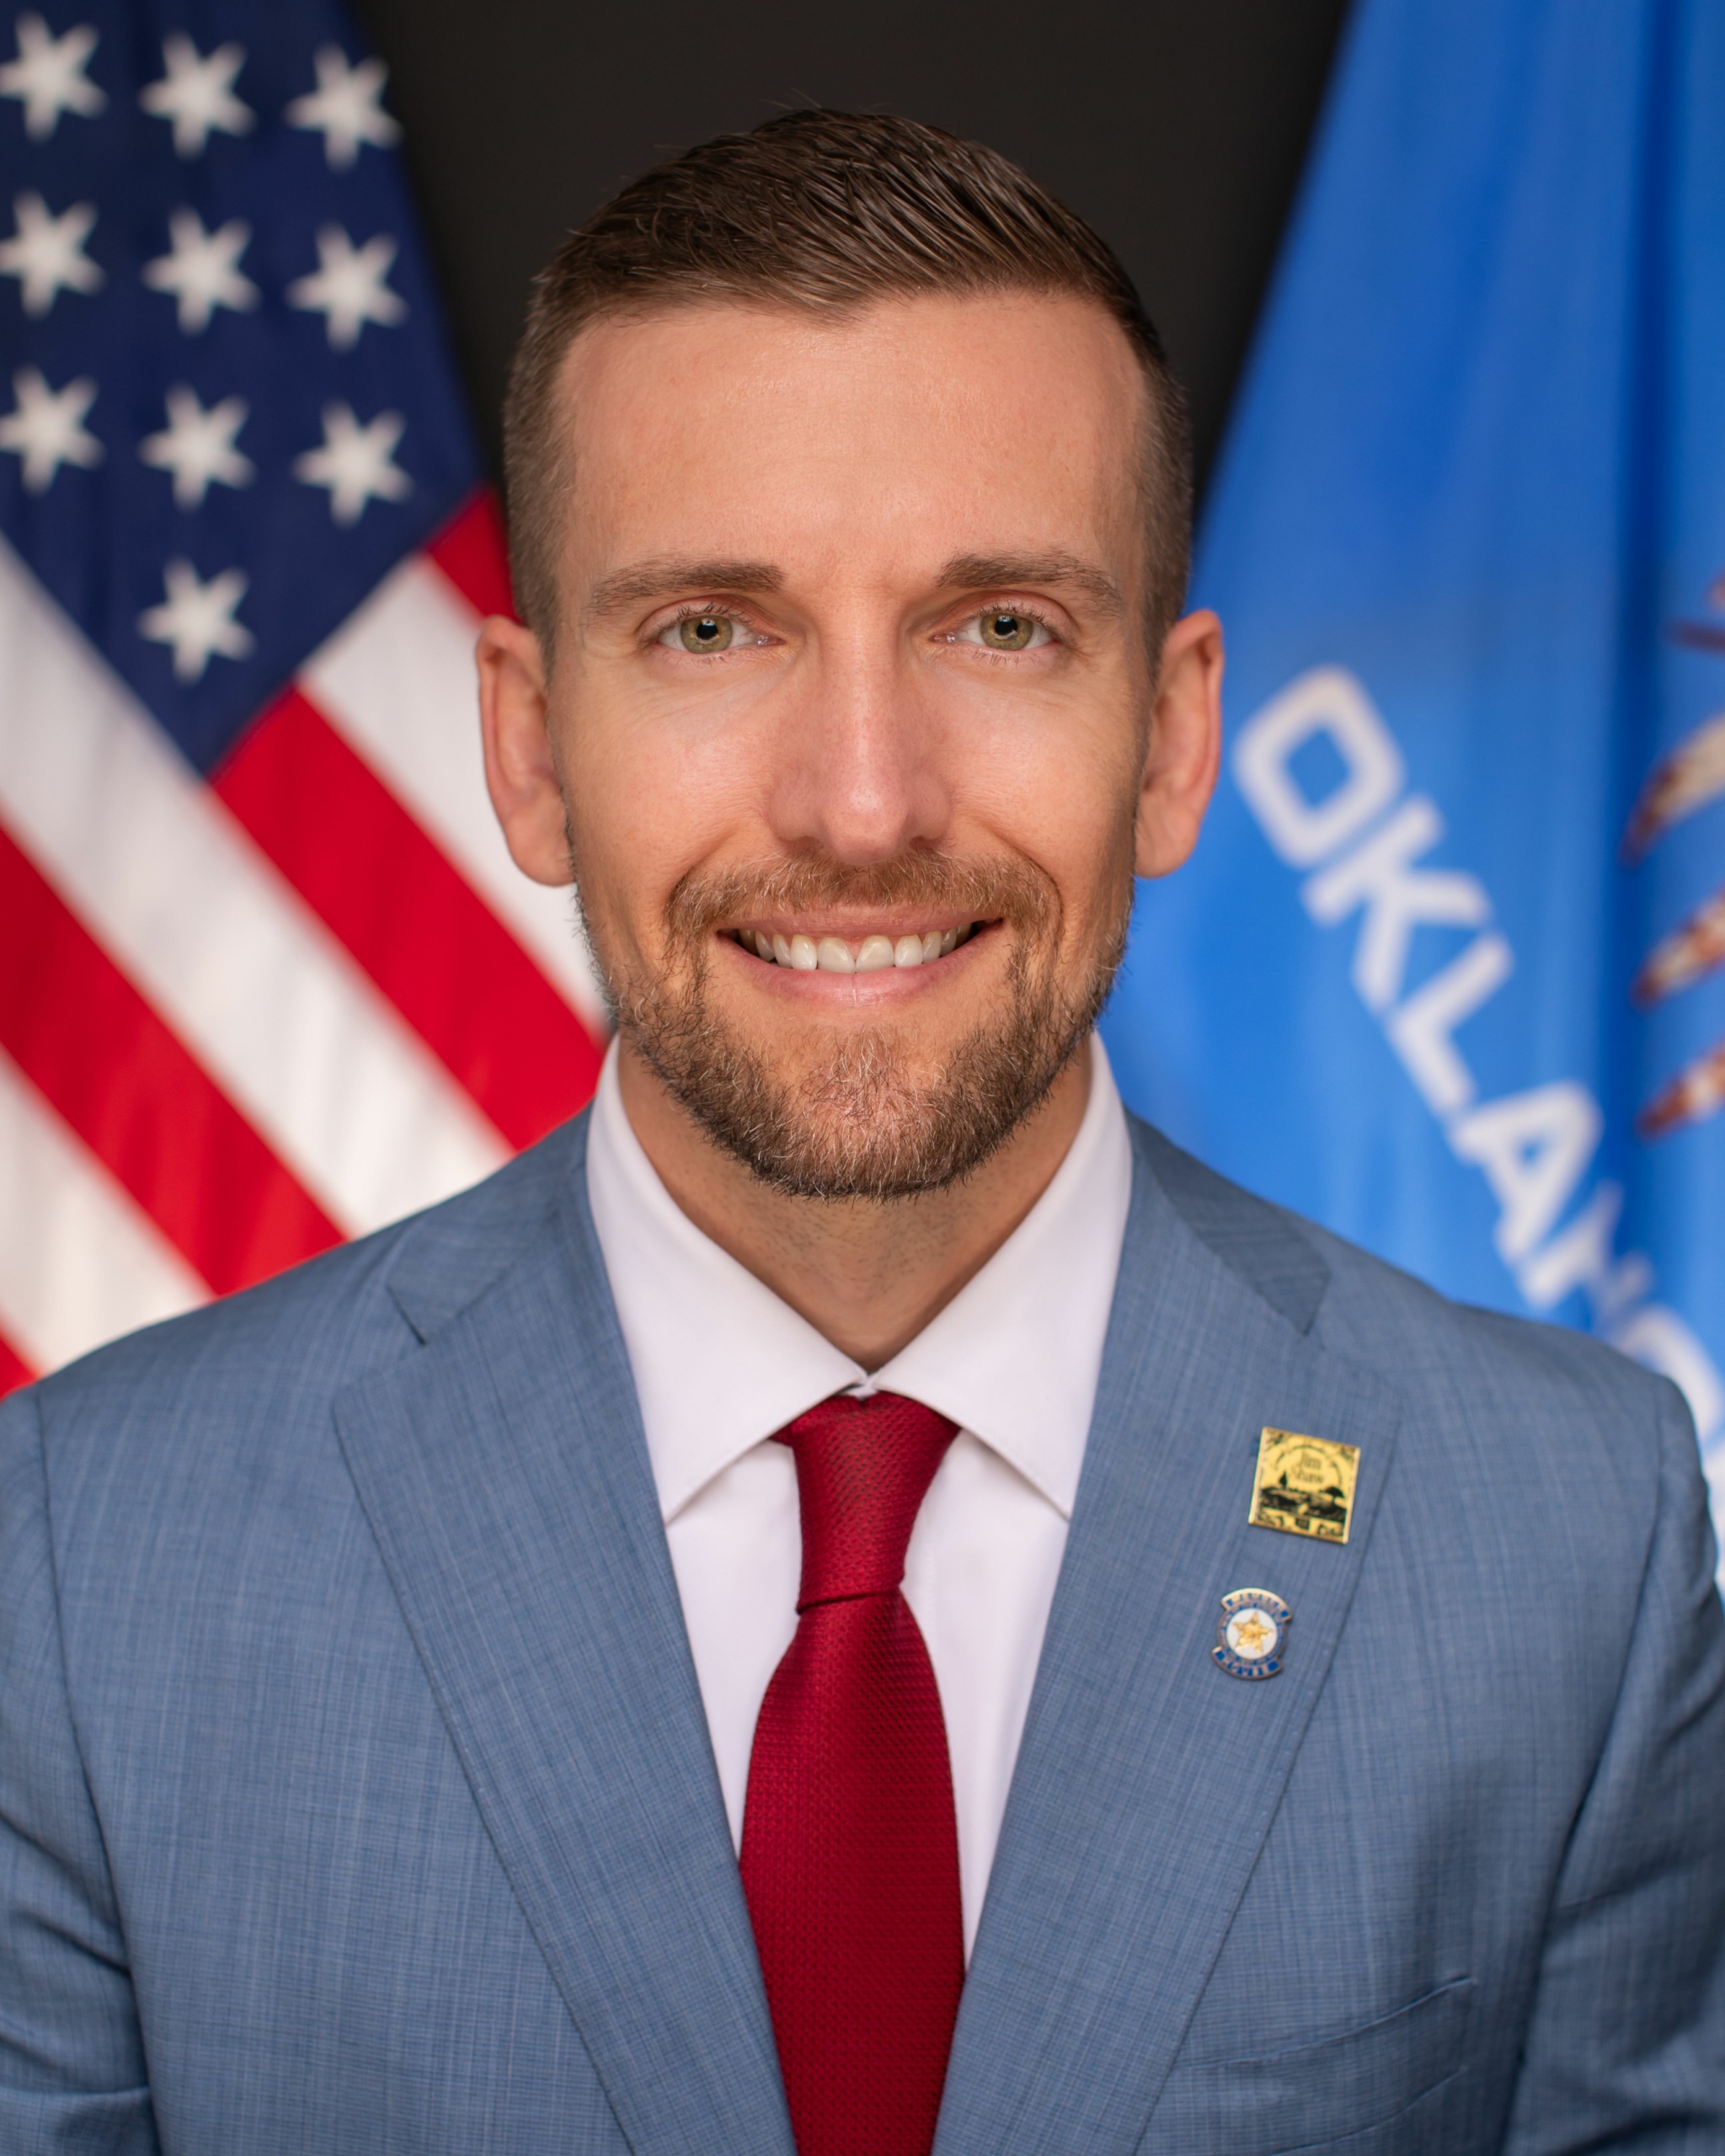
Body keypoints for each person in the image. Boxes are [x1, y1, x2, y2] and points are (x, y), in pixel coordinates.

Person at [3, 109, 1722, 2156]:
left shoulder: (1566, 1538)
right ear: (527, 747)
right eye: (711, 629)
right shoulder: (84, 1568)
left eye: (998, 623)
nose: (862, 802)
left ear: (1173, 737)